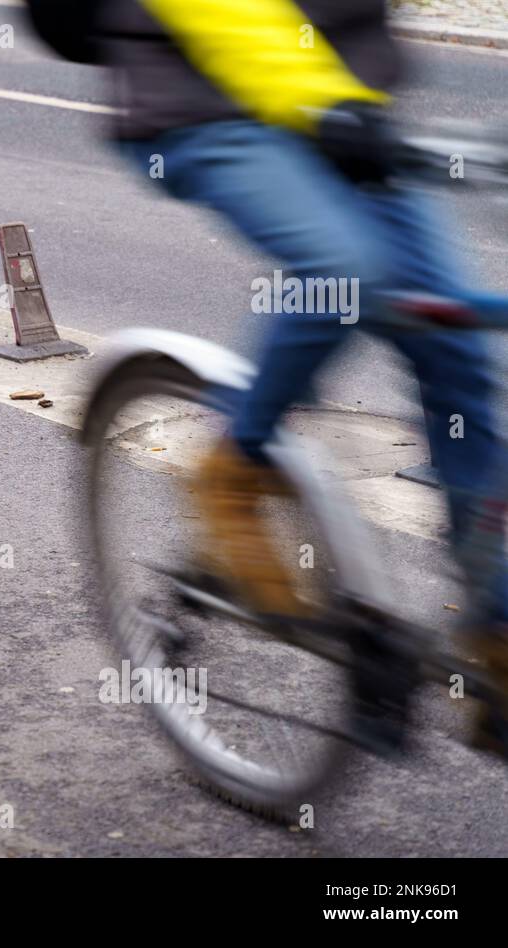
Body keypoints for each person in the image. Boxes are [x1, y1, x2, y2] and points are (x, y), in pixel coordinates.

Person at [28, 0, 508, 754]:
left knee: (457, 344)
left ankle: (496, 627)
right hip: (206, 99)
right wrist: (323, 101)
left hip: (350, 106)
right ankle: (234, 469)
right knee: (347, 273)